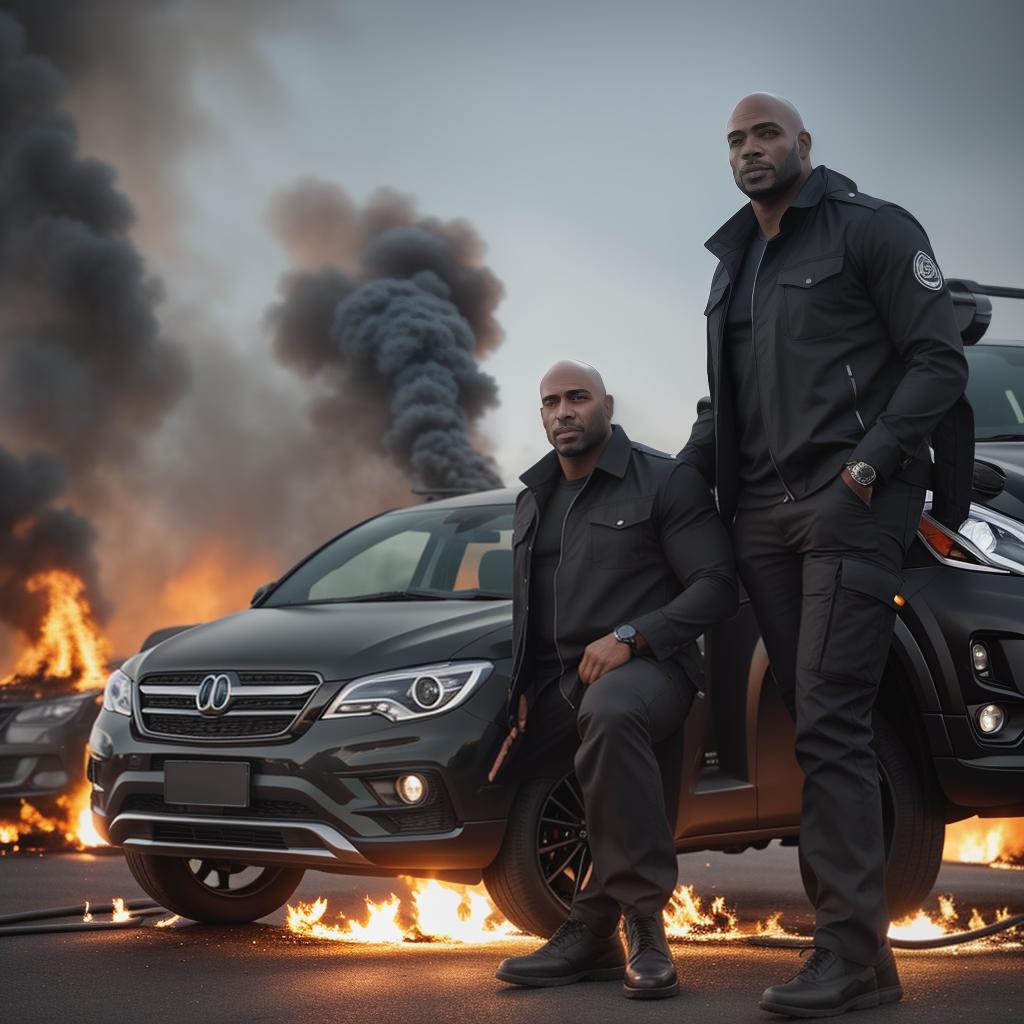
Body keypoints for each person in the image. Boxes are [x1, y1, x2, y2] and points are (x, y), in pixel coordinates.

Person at [680, 93, 970, 1018]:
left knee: (831, 725)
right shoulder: (734, 262)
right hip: (761, 517)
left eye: (766, 135)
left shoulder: (871, 230)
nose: (750, 150)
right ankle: (866, 961)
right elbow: (722, 408)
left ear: (805, 144)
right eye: (735, 140)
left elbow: (938, 360)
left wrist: (868, 467)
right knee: (816, 723)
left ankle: (847, 955)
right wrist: (662, 486)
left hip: (851, 506)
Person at [489, 360, 736, 1000]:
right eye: (551, 402)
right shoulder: (531, 498)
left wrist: (632, 637)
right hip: (556, 683)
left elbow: (716, 588)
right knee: (462, 739)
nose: (564, 411)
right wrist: (518, 690)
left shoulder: (664, 481)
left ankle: (635, 925)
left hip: (652, 671)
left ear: (607, 404)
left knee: (612, 712)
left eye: (578, 398)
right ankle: (583, 922)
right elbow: (530, 610)